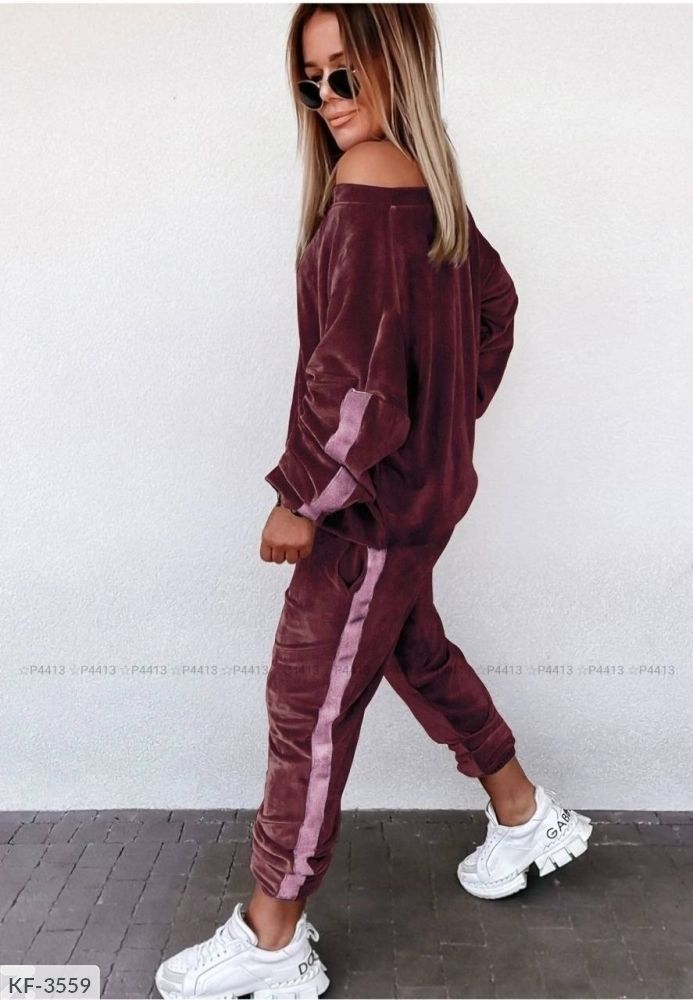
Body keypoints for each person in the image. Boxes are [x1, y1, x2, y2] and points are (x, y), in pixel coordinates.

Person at [155, 5, 593, 998]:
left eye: (344, 72)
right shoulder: (424, 190)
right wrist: (439, 430)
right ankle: (523, 811)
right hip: (409, 500)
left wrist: (303, 495)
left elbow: (351, 380)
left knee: (305, 703)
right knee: (412, 651)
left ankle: (274, 937)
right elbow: (492, 310)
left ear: (396, 65)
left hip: (365, 511)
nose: (326, 98)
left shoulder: (365, 186)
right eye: (310, 80)